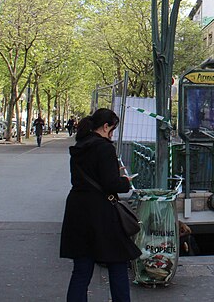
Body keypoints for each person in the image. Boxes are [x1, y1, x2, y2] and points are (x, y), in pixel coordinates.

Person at [60, 108, 139, 302]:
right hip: (101, 213)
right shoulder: (104, 148)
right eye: (112, 129)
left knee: (81, 270)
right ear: (105, 126)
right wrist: (125, 181)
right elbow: (111, 183)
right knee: (118, 263)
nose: (112, 134)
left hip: (77, 210)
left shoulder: (80, 146)